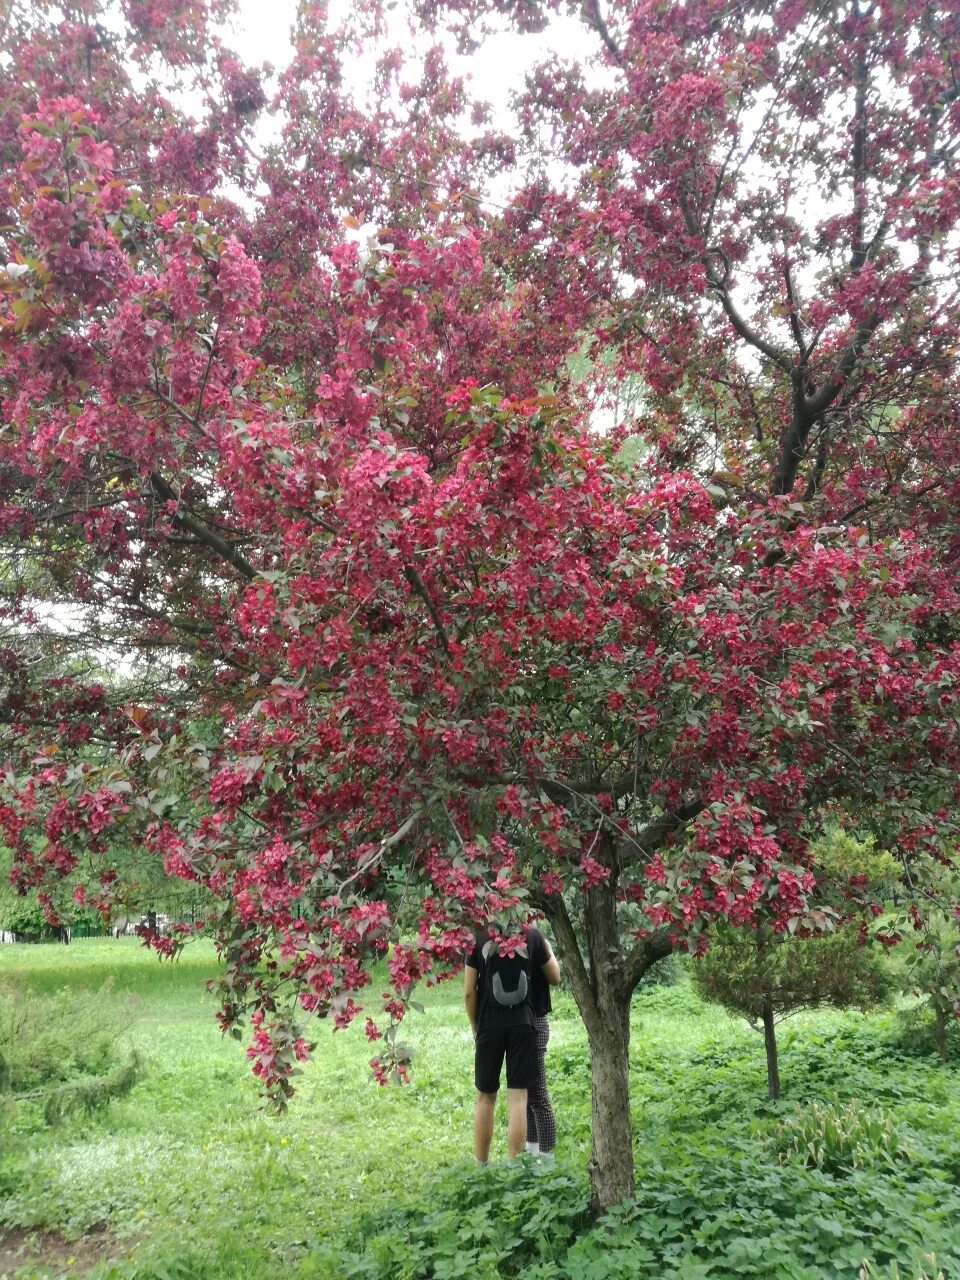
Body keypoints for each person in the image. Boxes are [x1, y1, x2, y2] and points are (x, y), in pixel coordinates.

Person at [464, 920, 561, 1163]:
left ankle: (481, 1165)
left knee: (485, 1097)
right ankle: (515, 1168)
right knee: (518, 1097)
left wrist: (476, 1026)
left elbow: (468, 992)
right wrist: (546, 946)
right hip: (523, 1024)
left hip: (489, 1024)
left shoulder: (478, 936)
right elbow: (555, 977)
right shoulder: (533, 935)